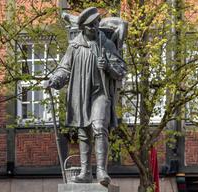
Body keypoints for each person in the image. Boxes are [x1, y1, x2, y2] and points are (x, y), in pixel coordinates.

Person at [47, 7, 127, 186]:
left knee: (99, 127)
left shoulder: (106, 44)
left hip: (101, 94)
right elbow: (64, 69)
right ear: (83, 27)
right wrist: (55, 80)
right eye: (91, 25)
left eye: (97, 23)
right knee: (83, 132)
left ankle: (101, 170)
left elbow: (121, 71)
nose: (95, 27)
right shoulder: (74, 46)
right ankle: (85, 171)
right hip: (80, 95)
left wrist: (107, 66)